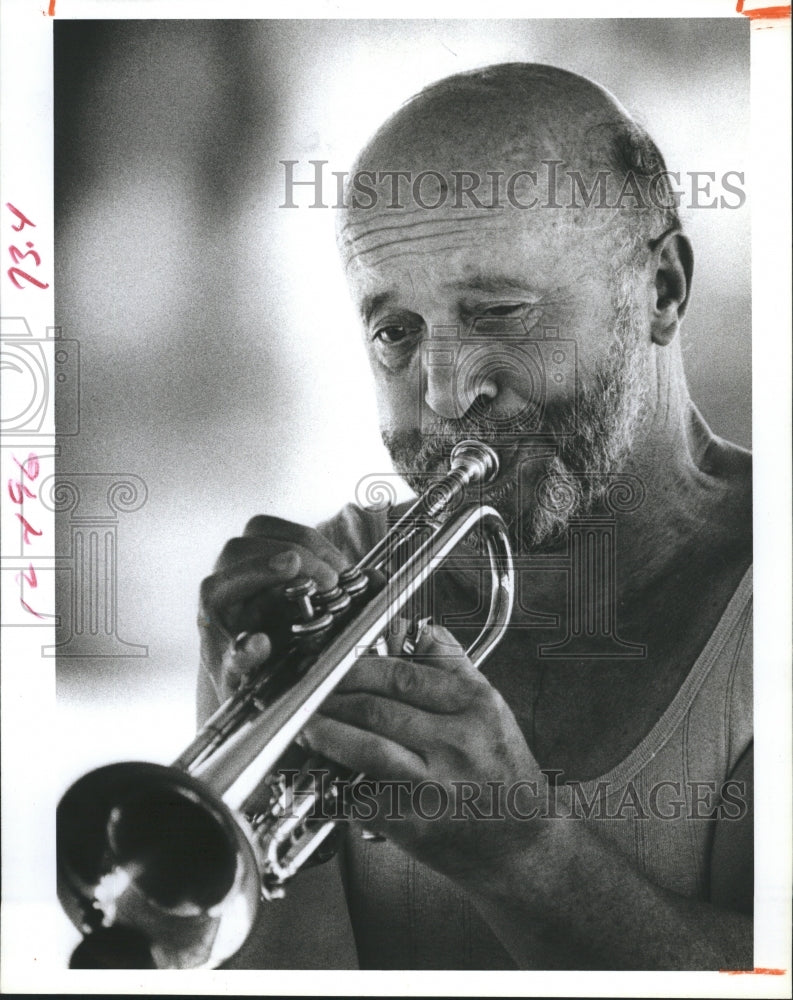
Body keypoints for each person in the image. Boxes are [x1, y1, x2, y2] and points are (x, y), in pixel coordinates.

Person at [197, 64, 752, 970]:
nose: (448, 392)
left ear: (660, 291)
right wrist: (251, 724)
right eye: (396, 332)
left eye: (498, 313)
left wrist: (523, 850)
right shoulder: (322, 598)